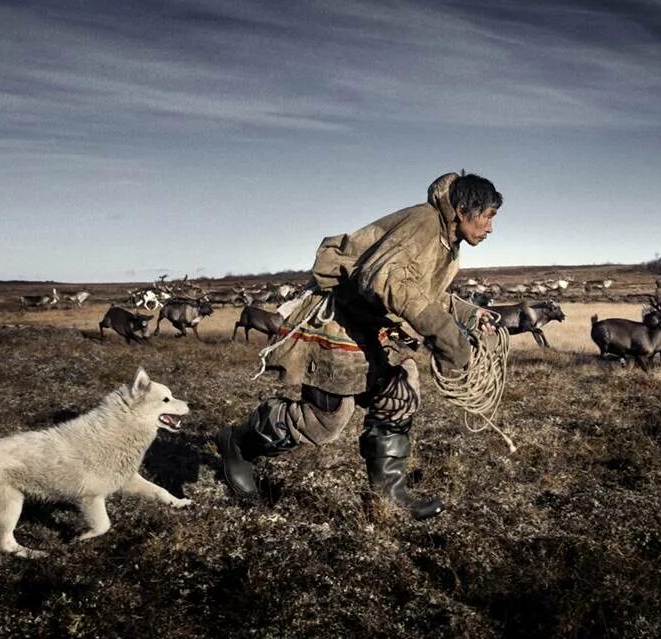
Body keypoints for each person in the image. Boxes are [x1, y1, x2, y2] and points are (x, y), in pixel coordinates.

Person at [215, 171, 502, 520]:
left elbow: (427, 292)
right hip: (342, 326)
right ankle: (238, 443)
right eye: (487, 216)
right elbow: (383, 279)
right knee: (325, 421)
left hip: (377, 331)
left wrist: (470, 315)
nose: (490, 228)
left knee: (400, 395)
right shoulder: (423, 224)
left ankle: (389, 495)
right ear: (461, 209)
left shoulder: (447, 241)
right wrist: (445, 334)